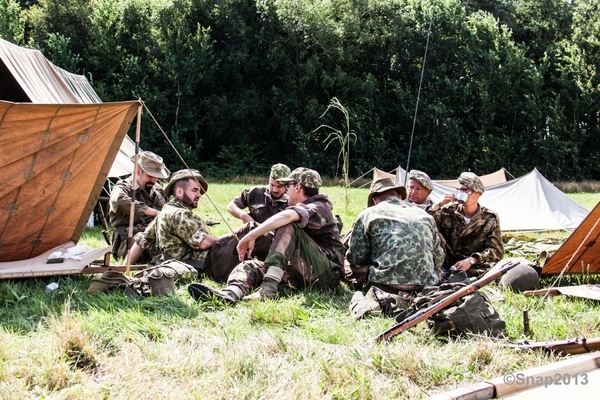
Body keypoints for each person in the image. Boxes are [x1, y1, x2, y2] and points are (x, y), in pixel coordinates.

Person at [189, 167, 345, 303]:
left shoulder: (320, 205)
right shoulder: (300, 206)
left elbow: (287, 218)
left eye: (287, 185)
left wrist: (252, 235)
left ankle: (269, 287)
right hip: (303, 271)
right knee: (251, 266)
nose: (285, 189)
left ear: (297, 187)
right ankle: (230, 294)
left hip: (327, 276)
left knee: (287, 225)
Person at [346, 177, 444, 318]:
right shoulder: (424, 215)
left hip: (385, 284)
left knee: (348, 266)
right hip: (426, 284)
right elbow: (438, 257)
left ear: (374, 199)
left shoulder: (368, 214)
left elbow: (356, 257)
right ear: (399, 196)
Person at [129, 169, 218, 271]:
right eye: (194, 190)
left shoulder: (165, 211)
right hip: (198, 265)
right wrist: (223, 240)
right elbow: (204, 242)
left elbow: (141, 241)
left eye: (199, 191)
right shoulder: (179, 214)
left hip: (174, 265)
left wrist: (124, 268)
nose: (199, 195)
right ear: (179, 191)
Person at [430, 172, 504, 278]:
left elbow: (497, 251)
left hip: (472, 265)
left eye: (468, 190)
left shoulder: (489, 217)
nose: (463, 194)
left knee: (493, 268)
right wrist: (438, 205)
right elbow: (423, 224)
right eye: (460, 190)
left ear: (479, 194)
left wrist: (472, 260)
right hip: (445, 261)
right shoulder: (447, 210)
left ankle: (455, 276)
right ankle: (442, 273)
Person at [108, 151, 170, 260]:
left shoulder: (158, 191)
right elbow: (118, 201)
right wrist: (153, 212)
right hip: (129, 242)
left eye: (156, 177)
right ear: (138, 171)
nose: (154, 181)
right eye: (150, 176)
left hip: (156, 237)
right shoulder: (124, 188)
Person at [226, 163, 291, 224]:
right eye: (272, 185)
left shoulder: (292, 201)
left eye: (279, 187)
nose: (274, 190)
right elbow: (231, 206)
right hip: (251, 235)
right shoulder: (256, 192)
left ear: (287, 185)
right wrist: (244, 216)